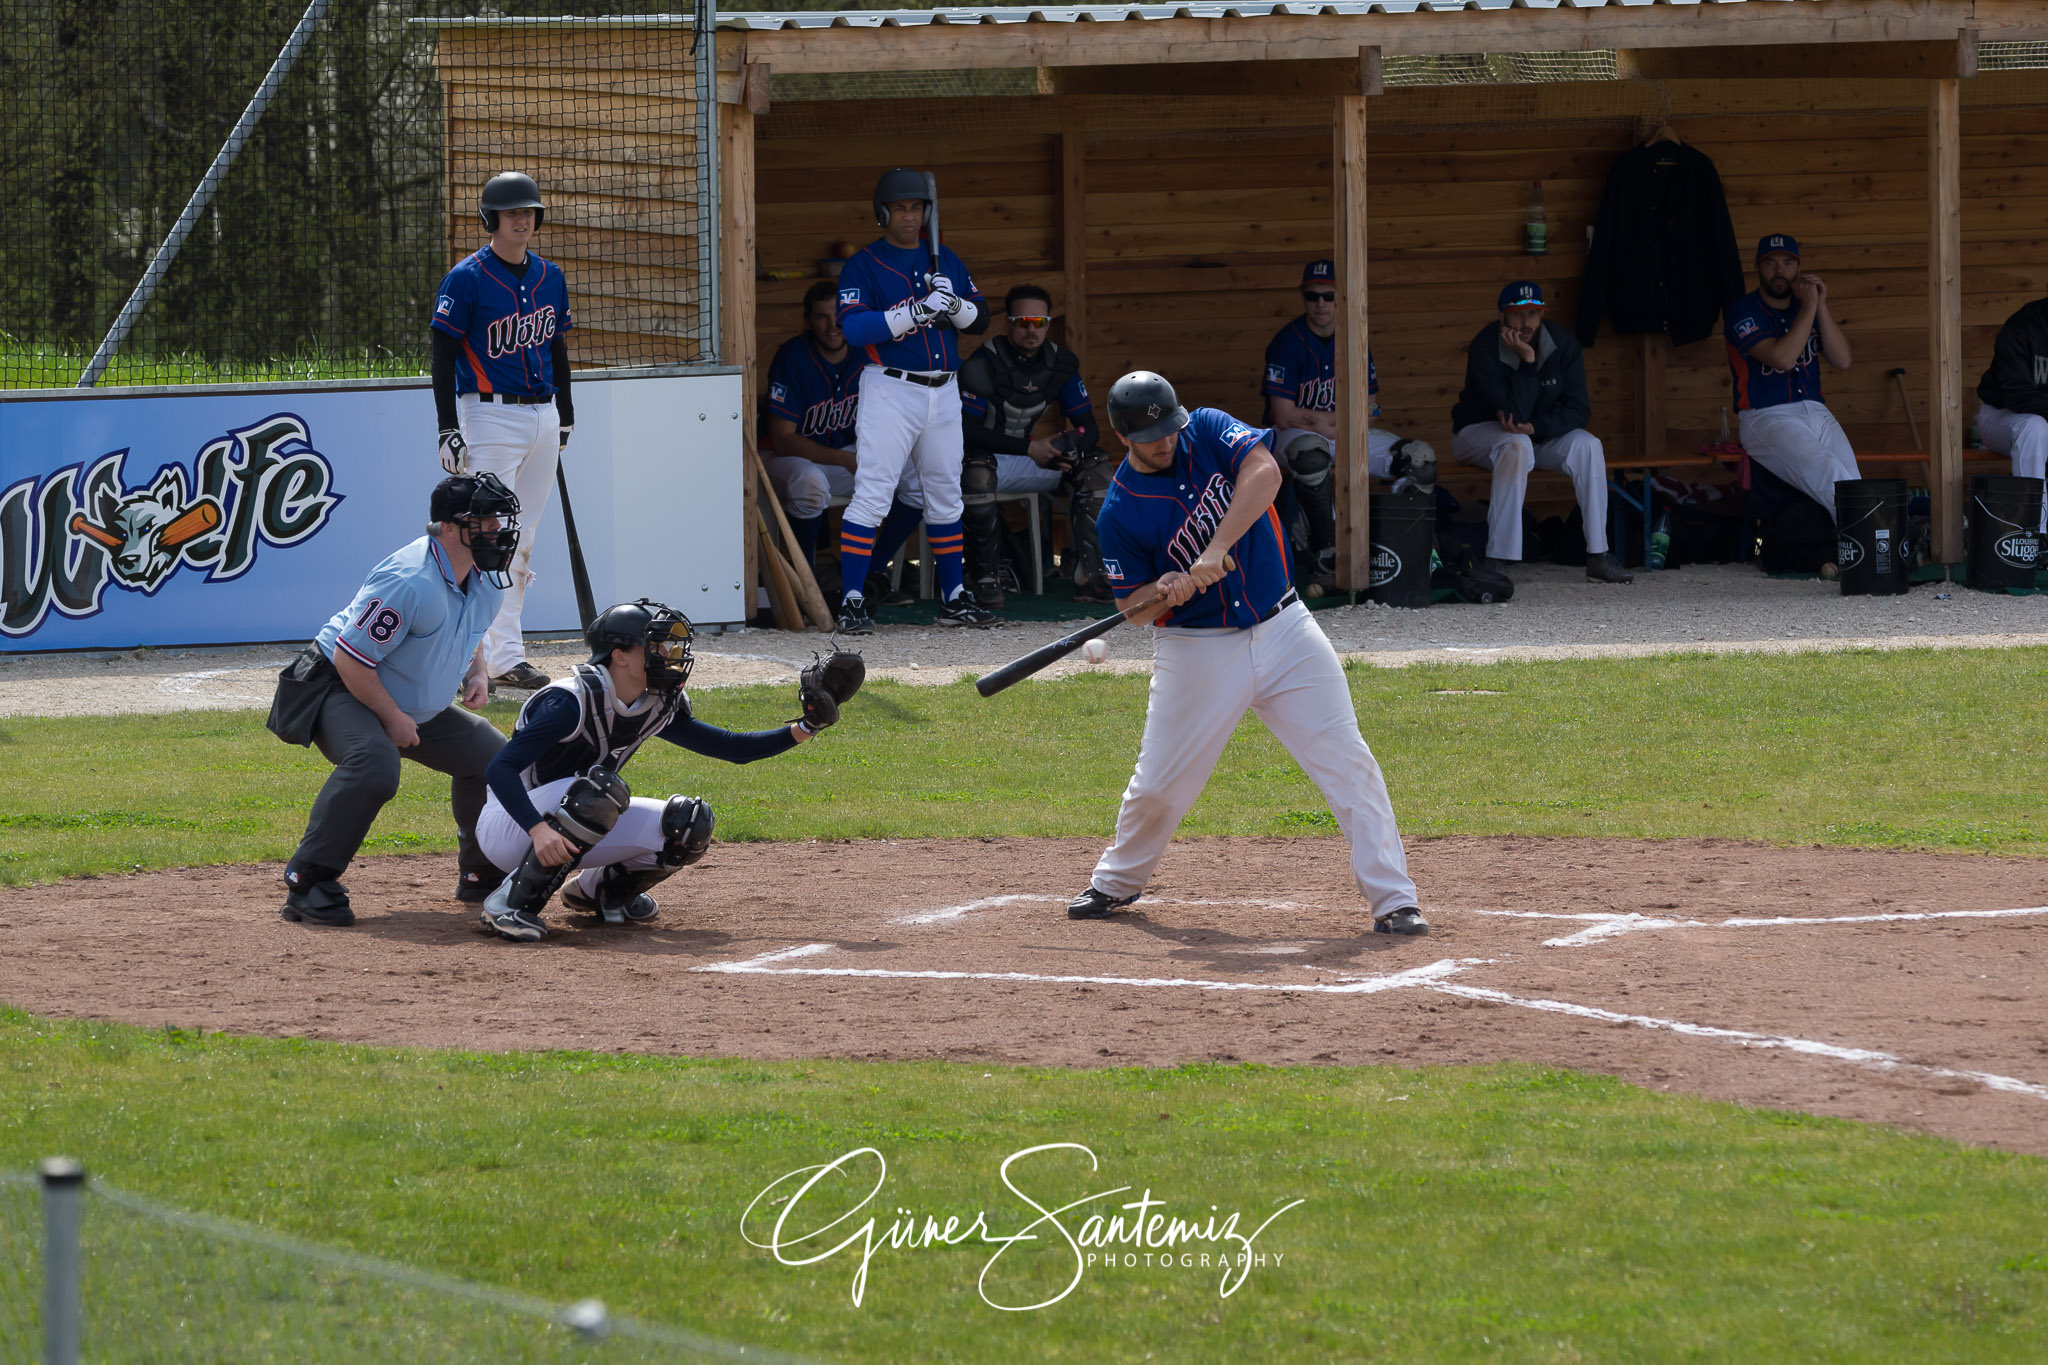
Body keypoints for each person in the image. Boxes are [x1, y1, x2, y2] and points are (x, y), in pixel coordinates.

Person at [1064, 371, 1427, 938]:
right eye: (1151, 436)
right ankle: (1118, 880)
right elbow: (1132, 610)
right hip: (1197, 649)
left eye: (1168, 429)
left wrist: (1215, 547)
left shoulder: (1207, 429)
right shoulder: (1120, 512)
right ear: (1124, 439)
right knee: (1160, 784)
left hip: (1285, 628)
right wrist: (1163, 589)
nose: (1166, 442)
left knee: (1347, 761)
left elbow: (1266, 473)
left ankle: (1394, 898)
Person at [475, 601, 862, 942]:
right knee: (598, 792)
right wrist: (537, 829)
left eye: (671, 646)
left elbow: (733, 748)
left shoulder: (656, 703)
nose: (669, 655)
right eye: (656, 647)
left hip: (572, 814)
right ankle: (508, 904)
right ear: (620, 655)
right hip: (510, 827)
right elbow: (500, 768)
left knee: (689, 824)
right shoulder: (569, 701)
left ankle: (599, 894)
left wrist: (807, 727)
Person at [276, 474, 519, 927]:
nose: (496, 529)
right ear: (448, 528)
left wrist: (476, 669)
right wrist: (392, 717)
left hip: (401, 695)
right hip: (335, 685)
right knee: (373, 763)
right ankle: (309, 881)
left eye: (497, 518)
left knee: (493, 759)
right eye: (483, 520)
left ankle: (482, 870)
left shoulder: (487, 577)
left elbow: (469, 627)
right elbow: (351, 657)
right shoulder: (409, 579)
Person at [430, 171, 575, 691]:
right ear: (490, 219)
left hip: (542, 414)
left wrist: (567, 413)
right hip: (488, 414)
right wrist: (448, 426)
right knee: (487, 535)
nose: (522, 219)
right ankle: (462, 653)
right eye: (512, 211)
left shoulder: (549, 276)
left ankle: (506, 656)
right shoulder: (467, 277)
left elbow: (557, 347)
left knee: (523, 539)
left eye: (529, 211)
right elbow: (443, 354)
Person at [832, 168, 993, 632]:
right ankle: (853, 599)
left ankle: (954, 597)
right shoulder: (865, 263)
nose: (909, 216)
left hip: (943, 388)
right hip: (890, 386)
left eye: (916, 207)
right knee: (874, 493)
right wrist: (915, 311)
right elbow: (856, 329)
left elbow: (980, 320)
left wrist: (955, 306)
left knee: (944, 494)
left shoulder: (945, 259)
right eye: (900, 208)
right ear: (884, 212)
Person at [1263, 259, 1437, 591]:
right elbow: (1283, 415)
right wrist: (1327, 425)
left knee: (1419, 458)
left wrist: (1329, 423)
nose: (1320, 304)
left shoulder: (1354, 339)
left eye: (1328, 296)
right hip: (1292, 437)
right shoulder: (1288, 341)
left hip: (1343, 431)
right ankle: (1324, 556)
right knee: (1311, 455)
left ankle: (1404, 554)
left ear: (1340, 298)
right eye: (1313, 296)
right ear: (1304, 297)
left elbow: (1370, 409)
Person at [1451, 281, 1632, 582]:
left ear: (1541, 315)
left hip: (1534, 433)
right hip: (1478, 432)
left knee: (1588, 446)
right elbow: (1513, 414)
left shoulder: (1563, 345)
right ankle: (1498, 559)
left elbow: (1579, 409)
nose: (1526, 322)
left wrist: (1539, 427)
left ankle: (1598, 556)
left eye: (1533, 314)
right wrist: (1527, 361)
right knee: (1516, 445)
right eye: (1518, 314)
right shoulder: (1485, 345)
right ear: (1503, 318)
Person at [762, 281, 927, 602]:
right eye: (822, 317)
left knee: (918, 476)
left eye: (839, 317)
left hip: (842, 455)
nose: (833, 326)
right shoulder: (793, 355)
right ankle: (806, 586)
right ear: (808, 321)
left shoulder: (867, 353)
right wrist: (847, 460)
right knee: (810, 483)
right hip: (785, 459)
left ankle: (872, 573)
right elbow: (783, 441)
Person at [958, 283, 1110, 608]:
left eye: (1039, 322)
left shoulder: (1062, 363)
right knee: (977, 471)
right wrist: (1031, 449)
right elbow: (966, 432)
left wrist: (1069, 451)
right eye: (1024, 321)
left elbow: (1089, 427)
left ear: (1048, 324)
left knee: (1095, 465)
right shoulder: (984, 359)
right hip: (981, 459)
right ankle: (985, 578)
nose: (1032, 329)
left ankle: (1091, 576)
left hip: (1029, 457)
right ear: (1009, 323)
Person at [1724, 233, 1860, 519]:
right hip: (1766, 415)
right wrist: (1810, 307)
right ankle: (1867, 548)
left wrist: (1820, 306)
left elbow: (1844, 360)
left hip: (1817, 410)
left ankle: (1857, 550)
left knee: (1852, 478)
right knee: (1829, 472)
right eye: (1770, 263)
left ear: (1798, 268)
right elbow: (1782, 359)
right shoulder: (1742, 310)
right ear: (1758, 268)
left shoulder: (1807, 308)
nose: (1779, 271)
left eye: (1788, 263)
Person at [1974, 290, 2048, 529]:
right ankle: (2036, 531)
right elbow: (2017, 394)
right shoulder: (2023, 325)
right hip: (2002, 416)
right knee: (2035, 426)